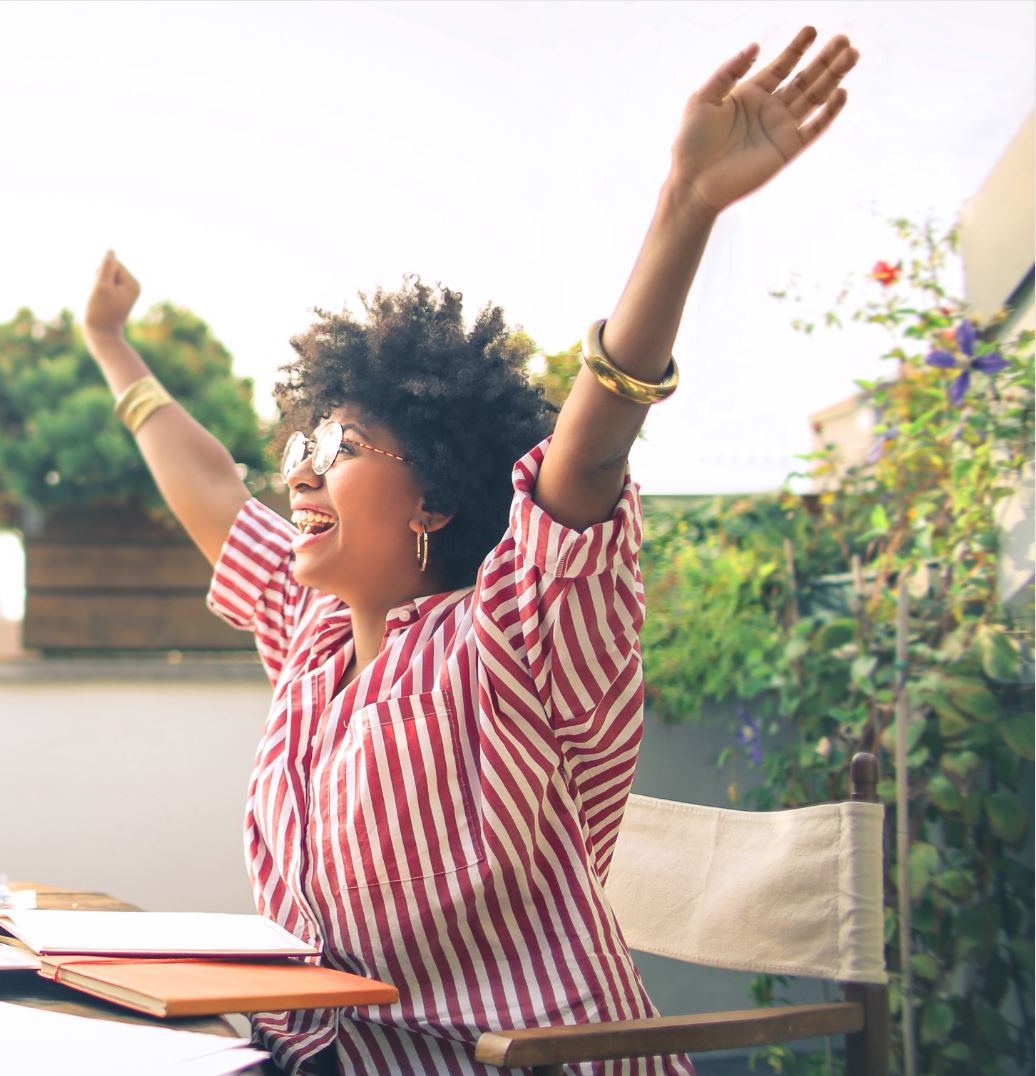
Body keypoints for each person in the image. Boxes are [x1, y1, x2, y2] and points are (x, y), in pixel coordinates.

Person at [79, 27, 859, 1076]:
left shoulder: (516, 633)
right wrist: (111, 347)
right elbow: (214, 488)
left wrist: (685, 205)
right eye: (302, 450)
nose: (299, 476)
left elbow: (582, 463)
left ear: (436, 498)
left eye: (341, 451)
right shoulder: (312, 638)